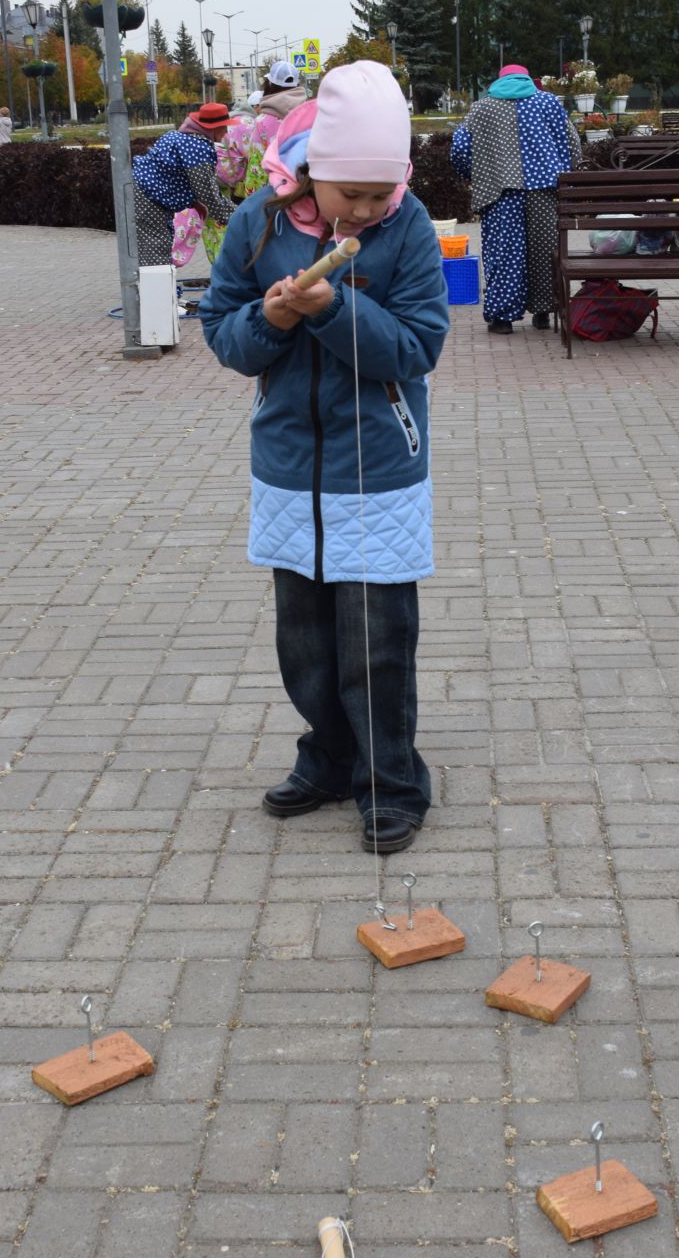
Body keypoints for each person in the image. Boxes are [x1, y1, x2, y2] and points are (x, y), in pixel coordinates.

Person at [199, 61, 450, 854]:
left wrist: (333, 307)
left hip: (377, 464)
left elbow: (417, 347)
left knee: (375, 641)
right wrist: (272, 320)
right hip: (288, 465)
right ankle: (331, 757)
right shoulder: (259, 225)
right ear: (313, 173)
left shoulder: (405, 228)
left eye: (384, 194)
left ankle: (392, 779)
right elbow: (223, 334)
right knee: (303, 637)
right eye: (354, 195)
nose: (369, 210)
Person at [451, 64, 581, 334]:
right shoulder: (547, 102)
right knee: (546, 251)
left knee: (504, 253)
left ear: (499, 80)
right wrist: (565, 174)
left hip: (499, 191)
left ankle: (503, 318)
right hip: (545, 189)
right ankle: (544, 311)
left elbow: (460, 148)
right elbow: (572, 144)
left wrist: (477, 174)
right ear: (527, 79)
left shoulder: (482, 107)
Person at [130, 101, 236, 267]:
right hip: (148, 196)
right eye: (224, 127)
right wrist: (238, 216)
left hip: (142, 191)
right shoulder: (198, 148)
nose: (227, 132)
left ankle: (153, 289)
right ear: (213, 128)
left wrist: (194, 203)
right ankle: (157, 292)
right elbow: (209, 194)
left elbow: (172, 177)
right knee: (156, 249)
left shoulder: (182, 138)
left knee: (154, 246)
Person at [218, 59, 309, 202]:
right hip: (308, 192)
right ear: (297, 85)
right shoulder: (311, 114)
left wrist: (253, 203)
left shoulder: (263, 122)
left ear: (270, 85)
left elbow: (257, 170)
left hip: (275, 195)